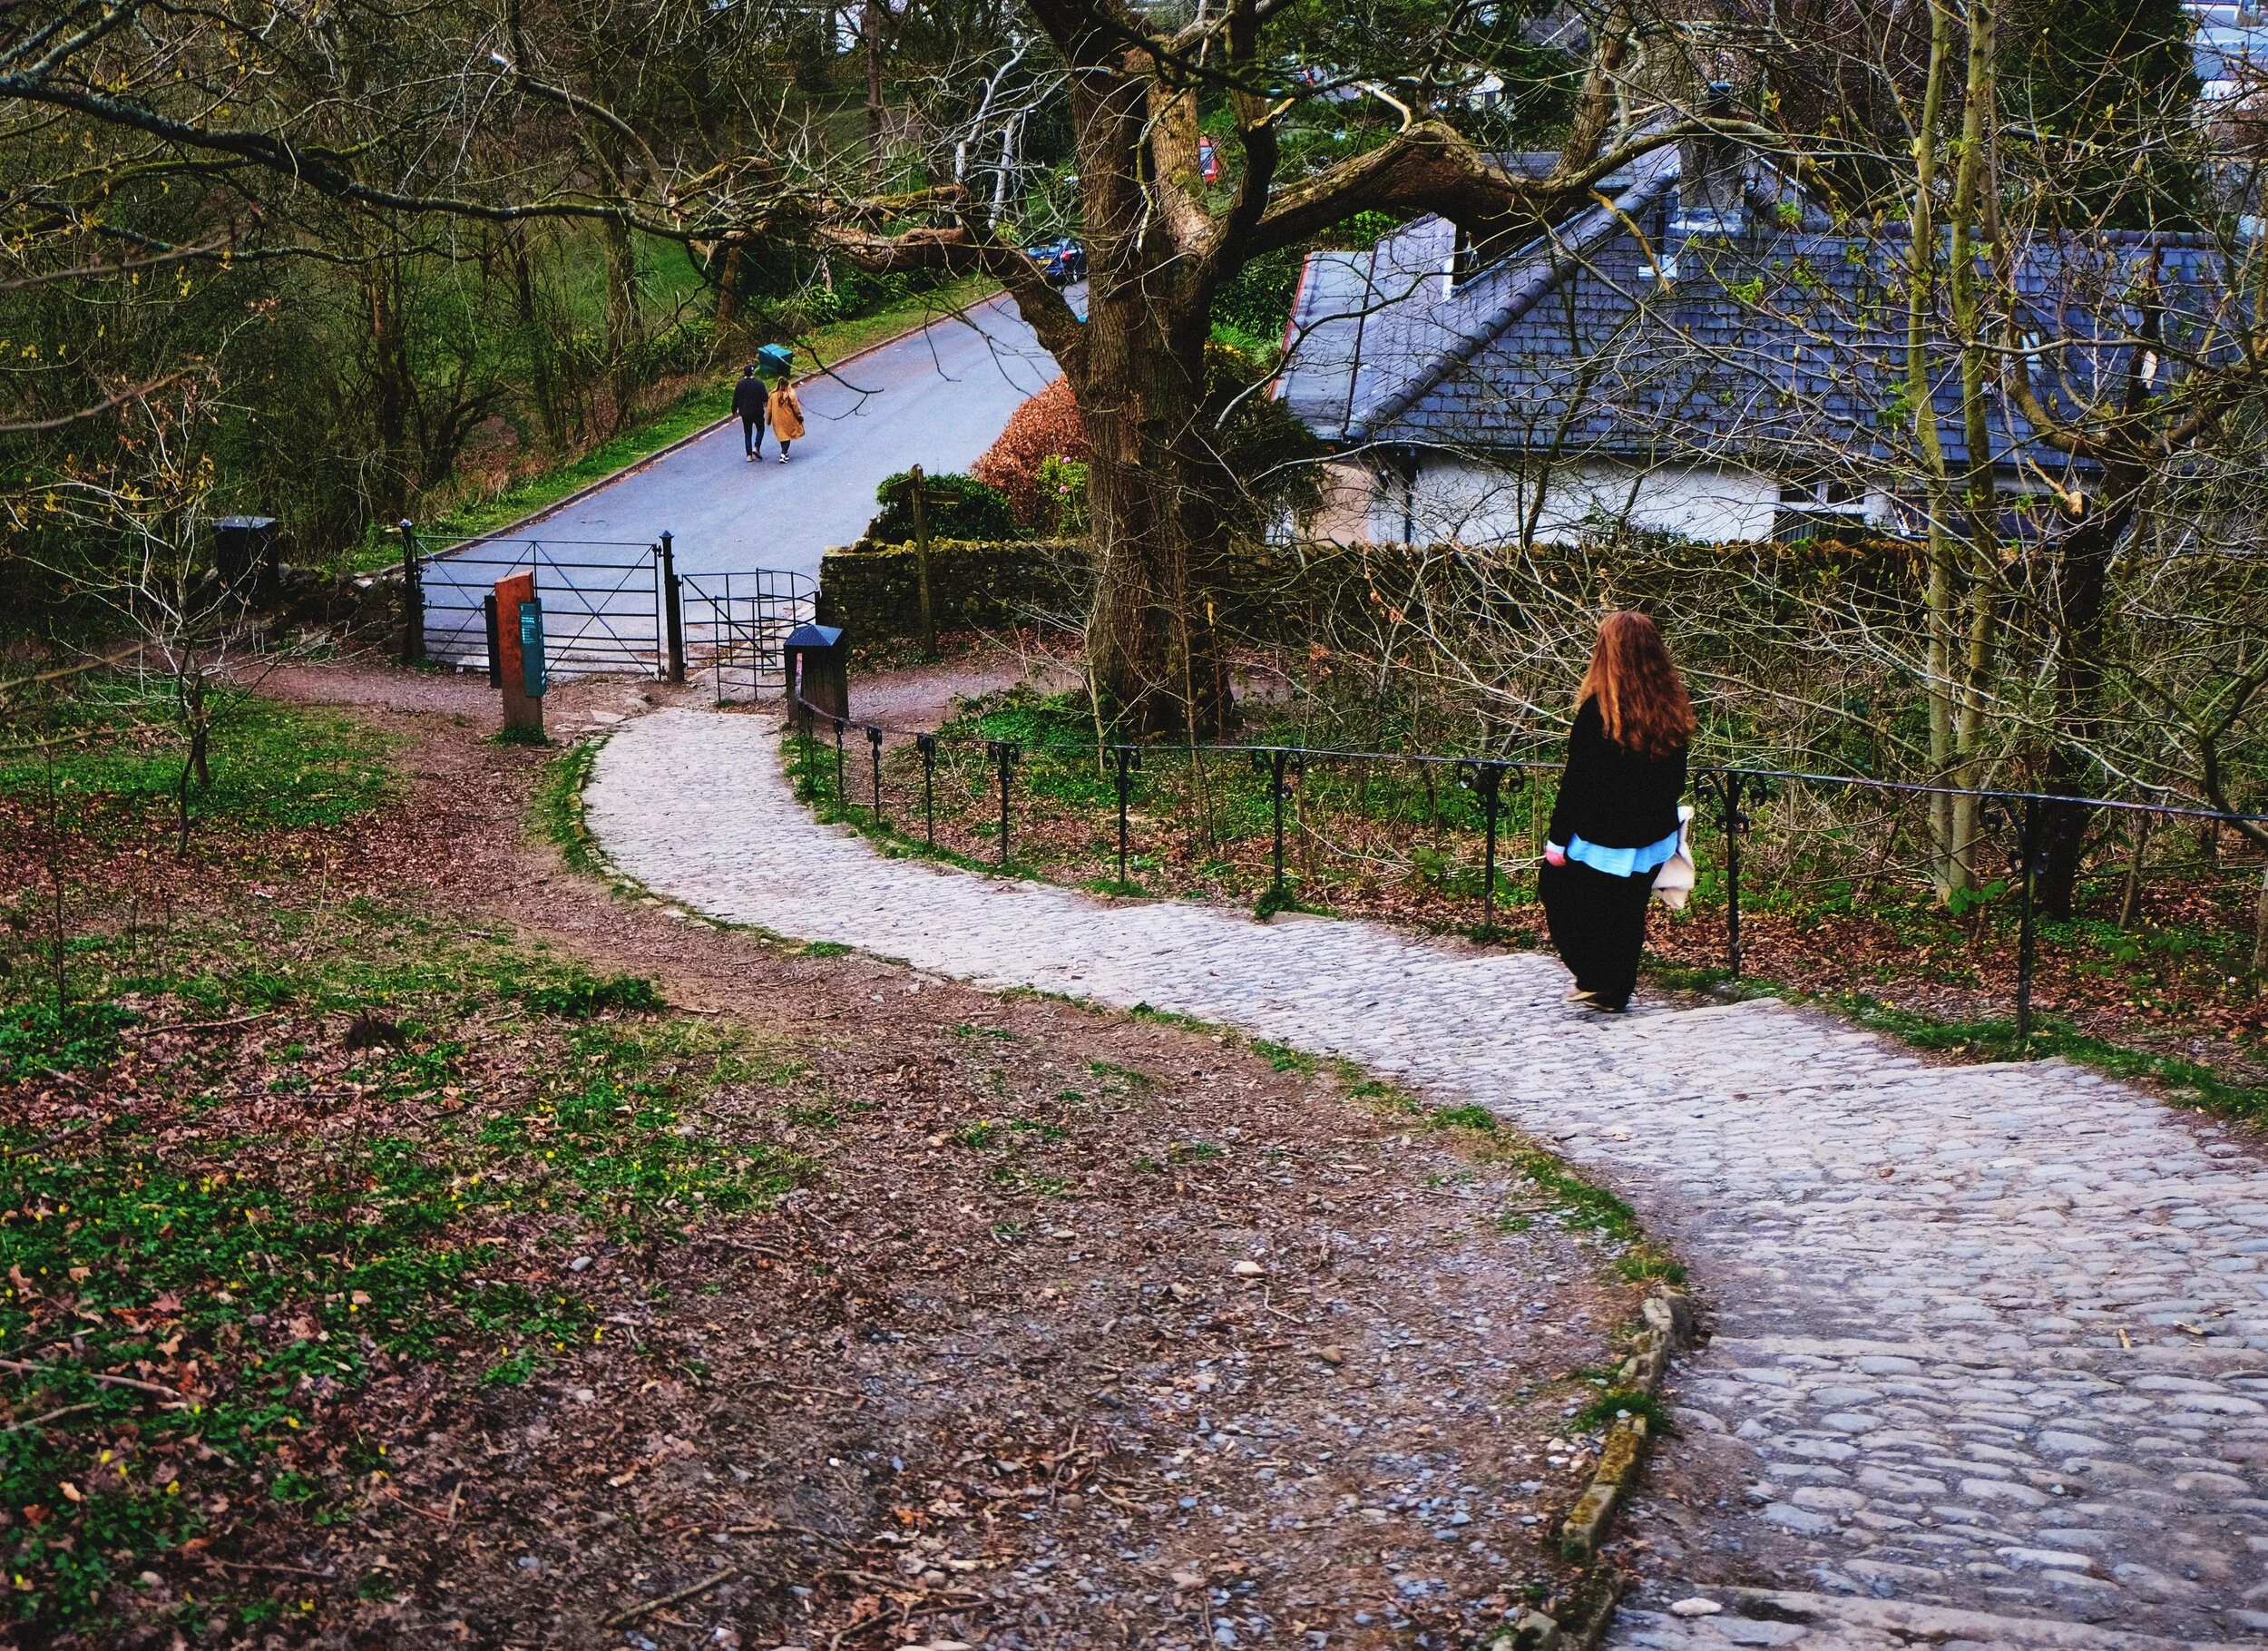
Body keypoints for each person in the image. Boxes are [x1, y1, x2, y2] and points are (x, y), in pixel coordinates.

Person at [1540, 611, 1696, 1014]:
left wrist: (1558, 839)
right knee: (1626, 911)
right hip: (1652, 834)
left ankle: (1596, 978)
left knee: (1558, 892)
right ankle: (1614, 989)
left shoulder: (1598, 712)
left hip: (1604, 835)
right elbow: (1676, 781)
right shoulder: (1671, 707)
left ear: (1607, 653)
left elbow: (1577, 783)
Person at [732, 364, 767, 461]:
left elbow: (735, 398)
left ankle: (749, 455)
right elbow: (765, 398)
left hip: (745, 413)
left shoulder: (739, 384)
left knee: (747, 433)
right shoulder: (759, 384)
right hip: (757, 412)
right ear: (753, 372)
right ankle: (756, 447)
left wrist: (734, 409)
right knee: (760, 429)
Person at [767, 375, 805, 462]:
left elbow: (769, 409)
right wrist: (799, 416)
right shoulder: (790, 394)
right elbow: (795, 406)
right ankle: (783, 454)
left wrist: (768, 420)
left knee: (782, 436)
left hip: (777, 420)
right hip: (788, 419)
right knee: (787, 436)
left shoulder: (773, 395)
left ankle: (785, 453)